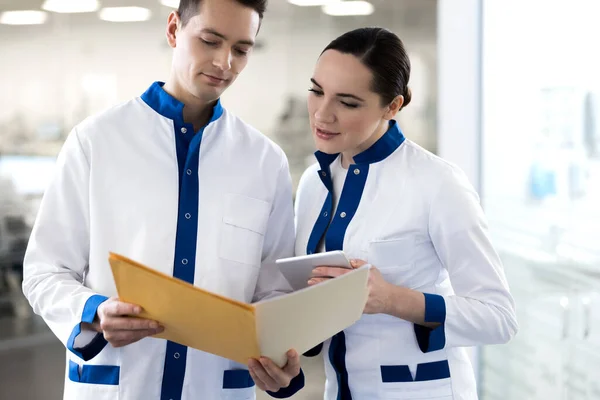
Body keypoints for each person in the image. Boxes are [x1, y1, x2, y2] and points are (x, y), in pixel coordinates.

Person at [21, 0, 304, 399]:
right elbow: (44, 272)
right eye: (210, 41)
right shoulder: (96, 142)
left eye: (241, 49)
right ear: (174, 29)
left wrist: (280, 359)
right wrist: (95, 312)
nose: (225, 62)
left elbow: (273, 290)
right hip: (119, 383)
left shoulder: (264, 161)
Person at [293, 27, 518, 399]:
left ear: (392, 106)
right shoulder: (312, 184)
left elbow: (499, 318)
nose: (322, 113)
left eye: (347, 102)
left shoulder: (438, 183)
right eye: (316, 91)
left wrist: (392, 299)